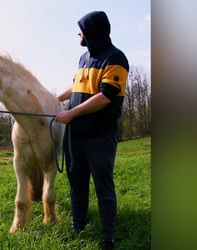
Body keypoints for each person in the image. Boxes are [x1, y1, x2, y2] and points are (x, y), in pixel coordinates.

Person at [55, 11, 129, 250]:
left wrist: (71, 113)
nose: (79, 33)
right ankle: (78, 226)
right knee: (76, 184)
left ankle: (108, 236)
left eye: (82, 29)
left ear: (92, 32)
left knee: (103, 187)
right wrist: (54, 100)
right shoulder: (83, 58)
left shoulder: (115, 58)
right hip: (76, 135)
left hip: (100, 135)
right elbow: (76, 86)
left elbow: (105, 97)